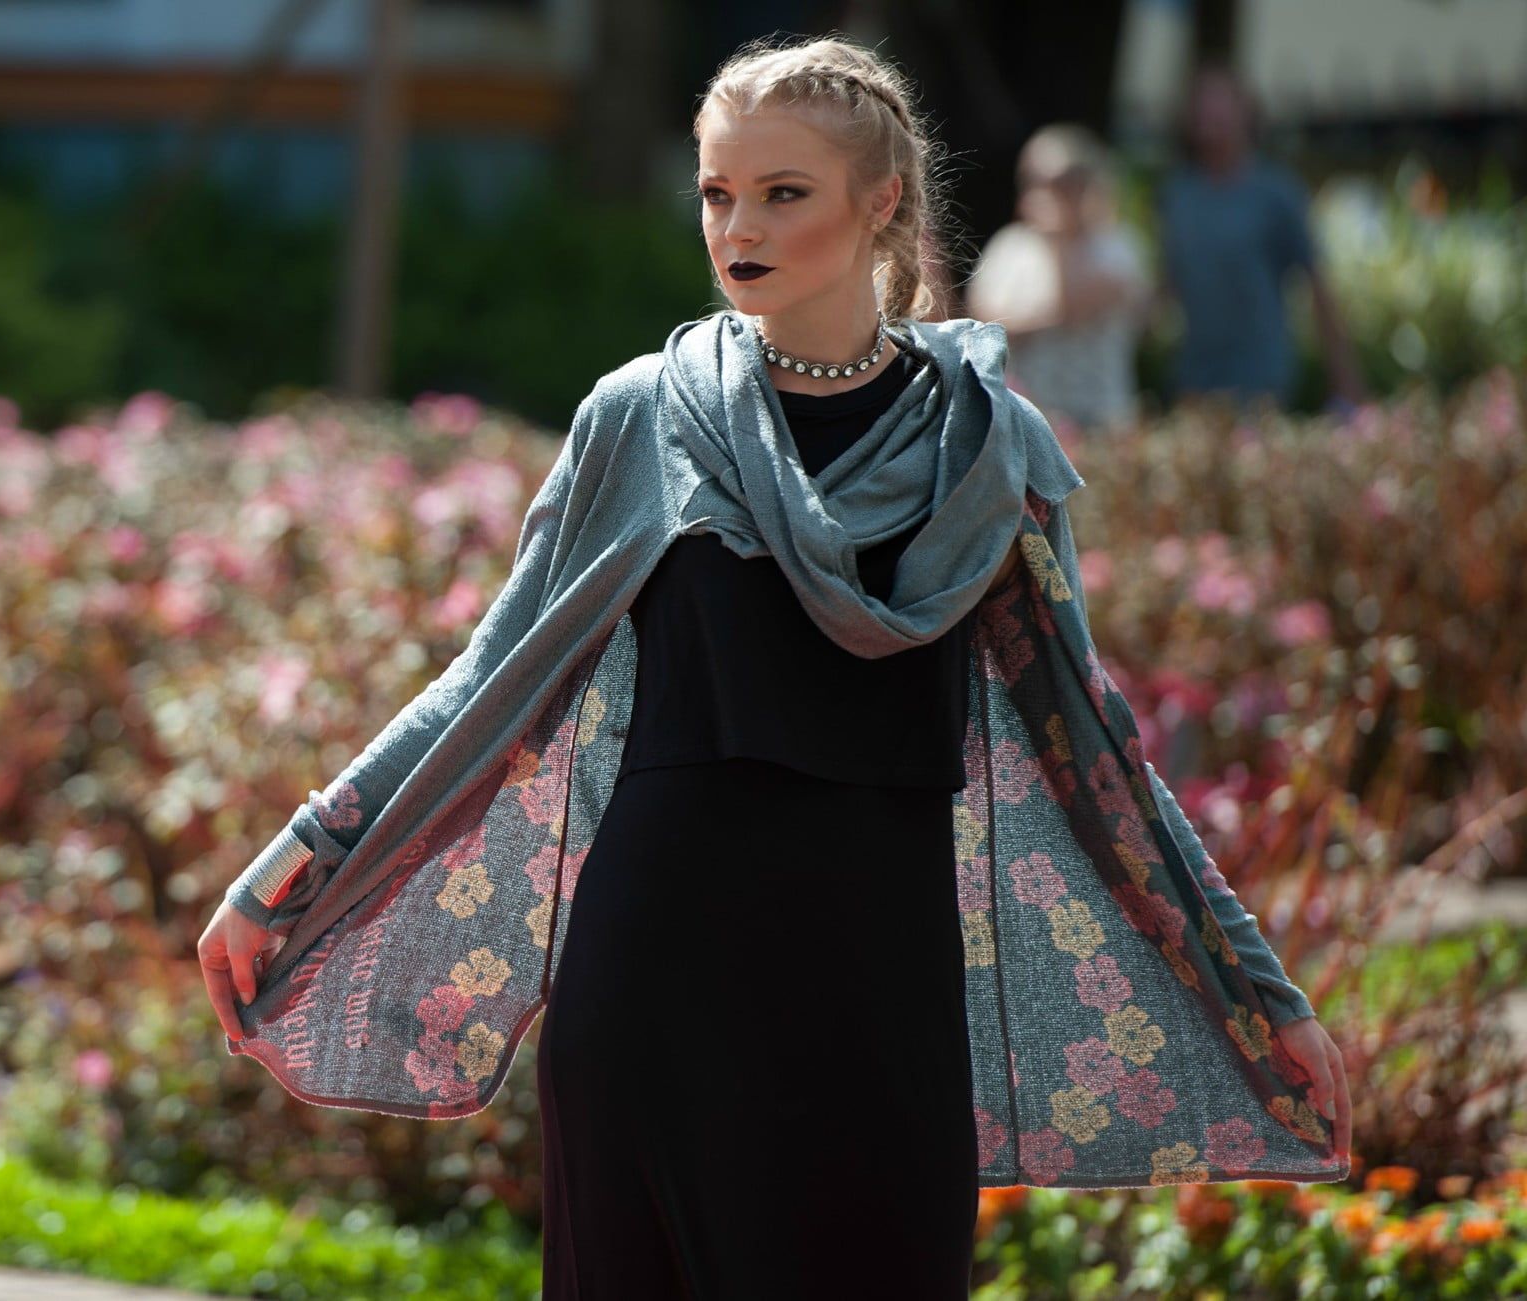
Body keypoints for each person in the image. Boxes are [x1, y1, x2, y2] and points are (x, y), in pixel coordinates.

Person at [200, 33, 1352, 1301]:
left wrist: (1257, 988)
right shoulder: (646, 415)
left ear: (880, 200)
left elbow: (1093, 746)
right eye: (715, 191)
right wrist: (289, 863)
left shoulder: (985, 442)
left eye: (780, 192)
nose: (736, 227)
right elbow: (488, 674)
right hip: (660, 977)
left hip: (881, 987)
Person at [1156, 61, 1365, 415]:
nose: (1210, 112)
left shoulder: (1276, 192)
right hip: (1194, 377)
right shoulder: (1177, 195)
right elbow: (1168, 284)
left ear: (1245, 112)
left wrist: (1346, 380)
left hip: (1260, 378)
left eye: (1220, 101)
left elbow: (1317, 285)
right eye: (1201, 103)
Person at [967, 124, 1152, 434]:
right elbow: (982, 329)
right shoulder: (1009, 248)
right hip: (1028, 422)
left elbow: (1079, 310)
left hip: (1104, 422)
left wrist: (1059, 249)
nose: (1049, 196)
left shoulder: (1118, 247)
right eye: (1036, 182)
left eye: (1064, 184)